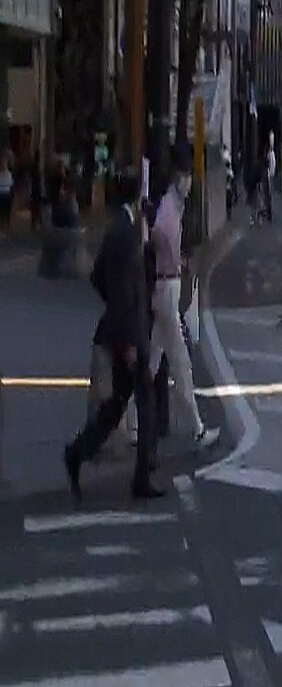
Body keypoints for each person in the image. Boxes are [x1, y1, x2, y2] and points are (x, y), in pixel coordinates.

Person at [64, 168, 165, 501]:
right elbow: (123, 291)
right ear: (137, 197)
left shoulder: (120, 229)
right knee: (144, 400)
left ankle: (78, 451)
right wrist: (129, 341)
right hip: (129, 333)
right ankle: (141, 476)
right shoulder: (126, 235)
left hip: (124, 328)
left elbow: (98, 277)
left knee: (118, 403)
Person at [145, 146, 219, 451]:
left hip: (167, 285)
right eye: (187, 176)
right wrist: (174, 260)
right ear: (178, 177)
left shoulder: (175, 206)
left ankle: (130, 420)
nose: (189, 182)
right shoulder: (168, 208)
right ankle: (197, 429)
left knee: (153, 358)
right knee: (180, 362)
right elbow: (160, 235)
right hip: (166, 287)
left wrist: (178, 262)